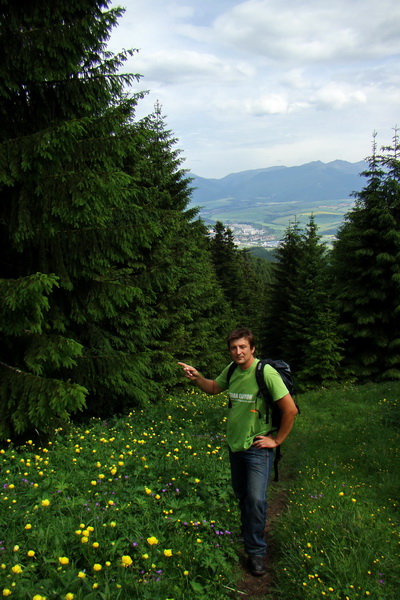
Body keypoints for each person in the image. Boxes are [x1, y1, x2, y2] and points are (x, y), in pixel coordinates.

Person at [178, 327, 298, 577]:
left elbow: (290, 410)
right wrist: (197, 377)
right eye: (234, 348)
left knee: (255, 499)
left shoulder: (266, 373)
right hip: (235, 446)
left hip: (257, 448)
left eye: (243, 347)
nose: (238, 351)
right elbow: (213, 388)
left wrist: (276, 440)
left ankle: (256, 552)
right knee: (244, 496)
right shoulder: (231, 370)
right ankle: (250, 533)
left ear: (253, 348)